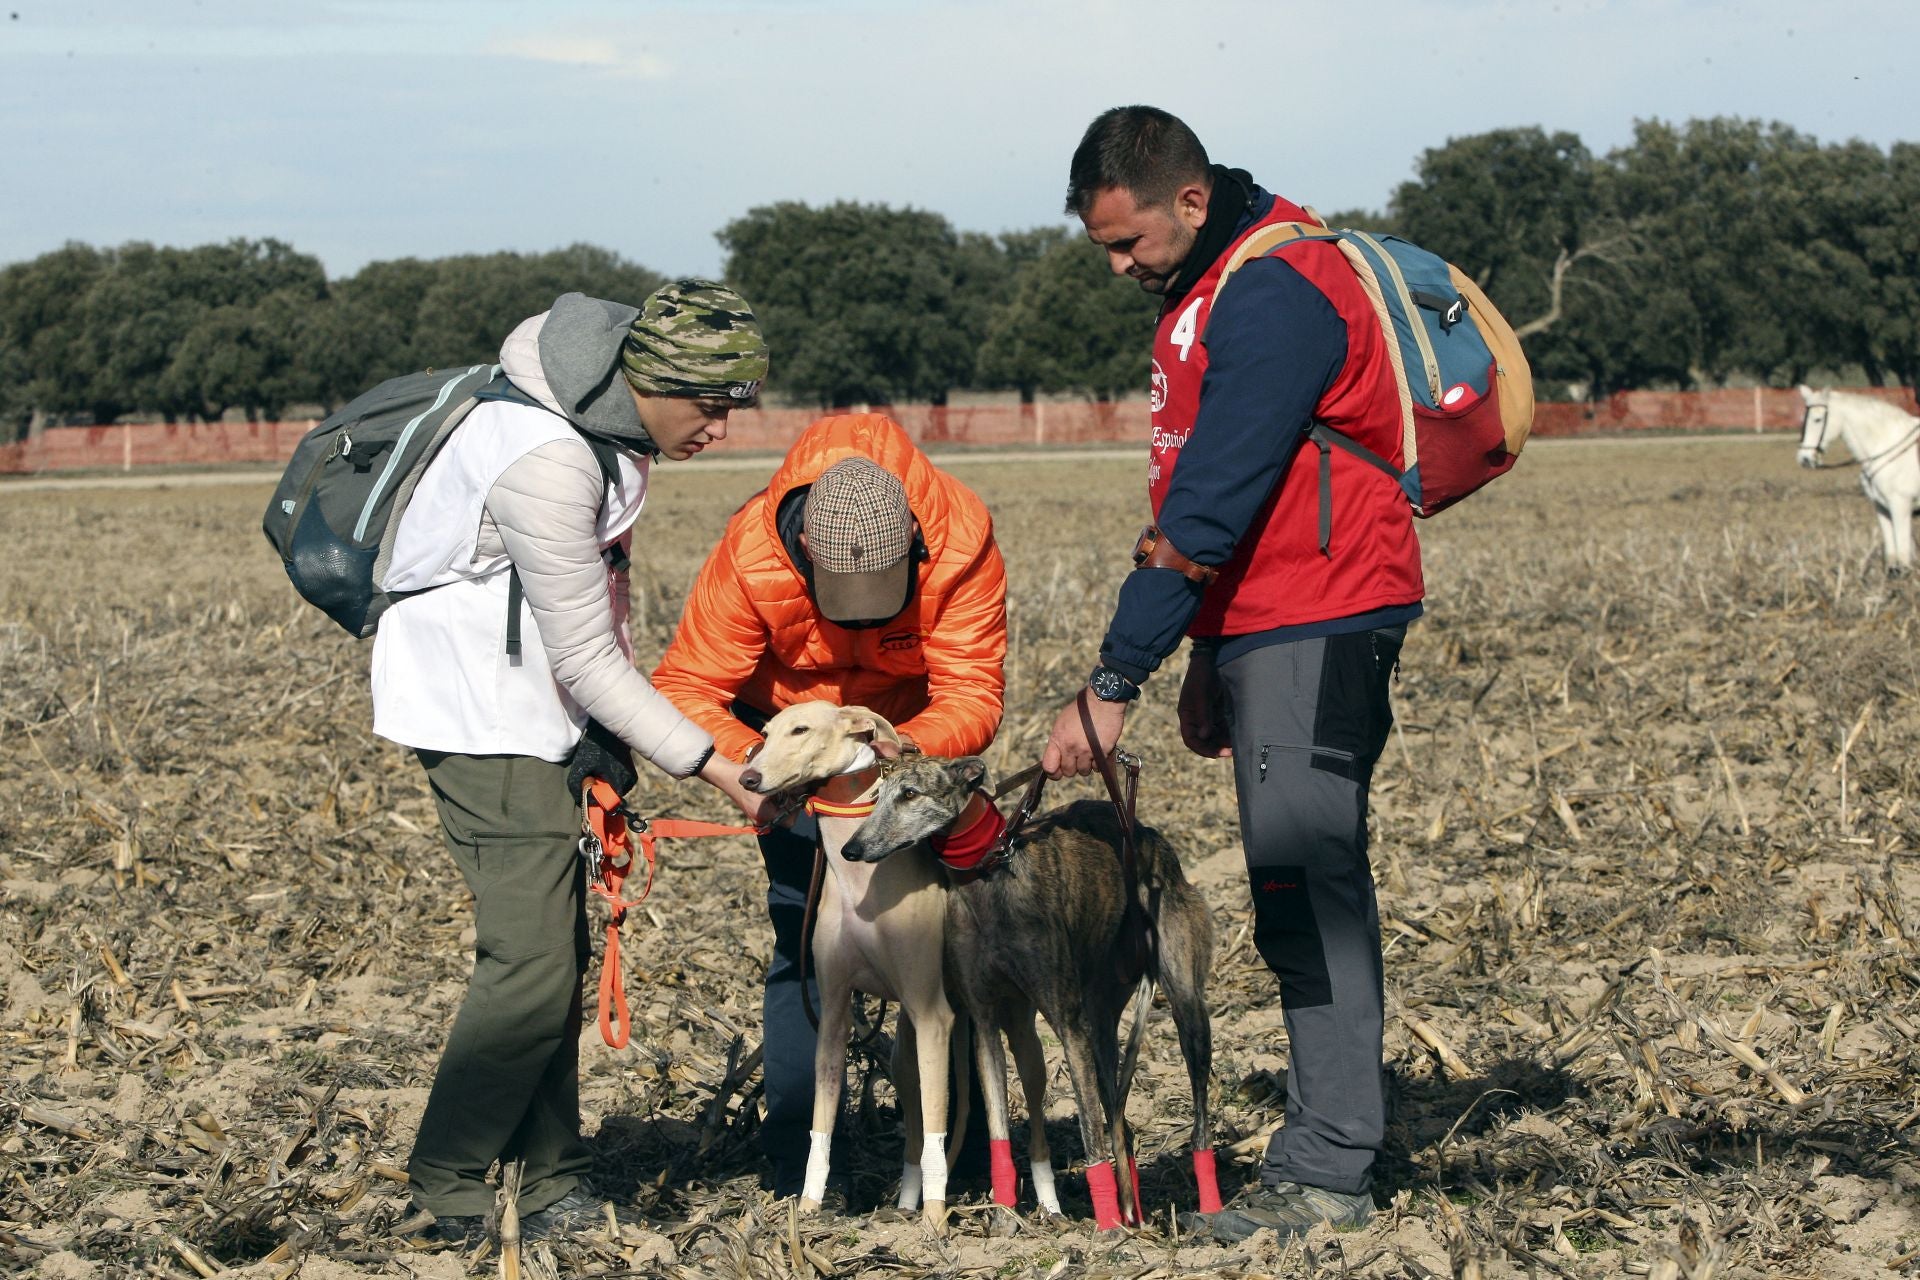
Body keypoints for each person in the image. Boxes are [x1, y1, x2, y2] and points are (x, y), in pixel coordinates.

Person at [1041, 106, 1423, 1242]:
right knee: (1295, 885)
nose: (1117, 268)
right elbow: (1223, 501)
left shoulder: (1277, 290)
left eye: (1129, 243)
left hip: (1323, 609)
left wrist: (1115, 680)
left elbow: (1213, 497)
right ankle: (1332, 1144)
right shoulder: (1212, 286)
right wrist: (1210, 653)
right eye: (1102, 247)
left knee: (1309, 886)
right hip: (1268, 622)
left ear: (1192, 202)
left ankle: (1329, 1169)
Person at [369, 281, 773, 1246]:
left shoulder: (598, 428)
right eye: (710, 407)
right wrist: (720, 766)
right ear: (649, 380)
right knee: (530, 963)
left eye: (735, 408)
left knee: (554, 958)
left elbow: (593, 630)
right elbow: (586, 656)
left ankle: (552, 1178)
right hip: (480, 721)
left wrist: (599, 741)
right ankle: (450, 1182)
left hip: (534, 712)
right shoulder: (547, 457)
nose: (721, 430)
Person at [650, 413, 1007, 1200]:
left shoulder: (963, 538)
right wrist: (751, 775)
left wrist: (897, 757)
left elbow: (974, 692)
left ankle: (971, 1160)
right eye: (843, 606)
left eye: (884, 605)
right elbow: (685, 686)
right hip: (785, 750)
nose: (865, 624)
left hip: (904, 753)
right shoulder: (750, 552)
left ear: (918, 547)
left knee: (954, 947)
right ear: (805, 551)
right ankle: (800, 1163)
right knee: (801, 938)